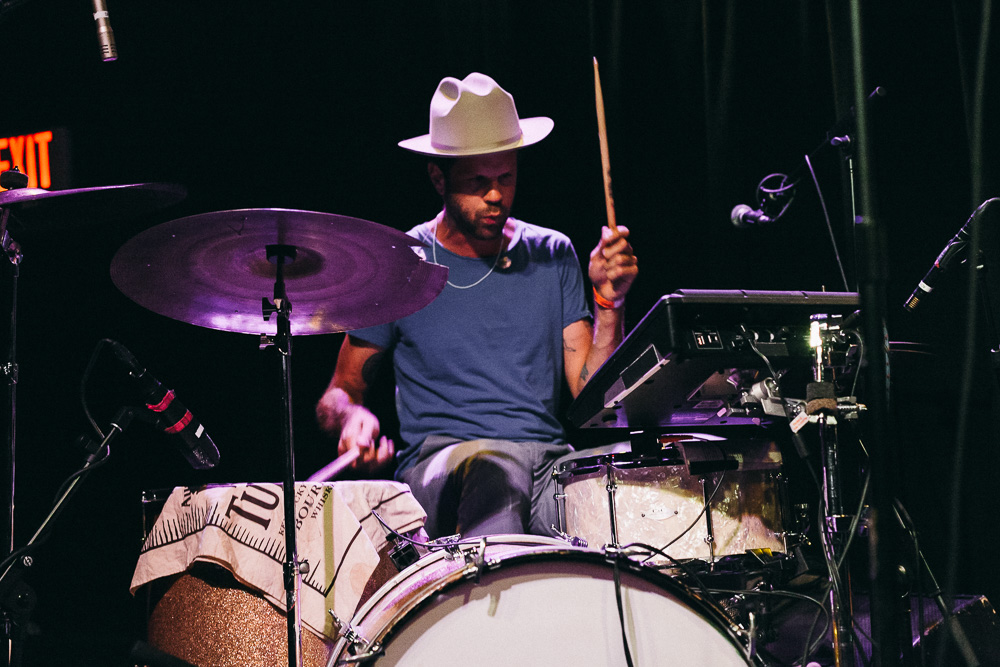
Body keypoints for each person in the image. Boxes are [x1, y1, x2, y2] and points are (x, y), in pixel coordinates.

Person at [316, 72, 637, 539]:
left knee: (630, 484)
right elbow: (339, 392)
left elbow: (594, 398)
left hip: (547, 465)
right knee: (494, 466)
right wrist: (352, 416)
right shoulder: (401, 264)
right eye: (478, 182)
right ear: (437, 177)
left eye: (506, 178)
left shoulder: (553, 253)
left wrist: (609, 302)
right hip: (440, 471)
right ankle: (495, 609)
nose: (495, 196)